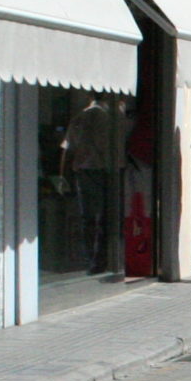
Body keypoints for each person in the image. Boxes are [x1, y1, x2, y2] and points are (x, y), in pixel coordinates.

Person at [62, 94, 124, 274]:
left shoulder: (83, 115)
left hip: (87, 171)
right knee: (106, 218)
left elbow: (68, 148)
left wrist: (63, 176)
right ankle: (103, 259)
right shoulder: (115, 116)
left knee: (89, 217)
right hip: (107, 171)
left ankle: (93, 259)